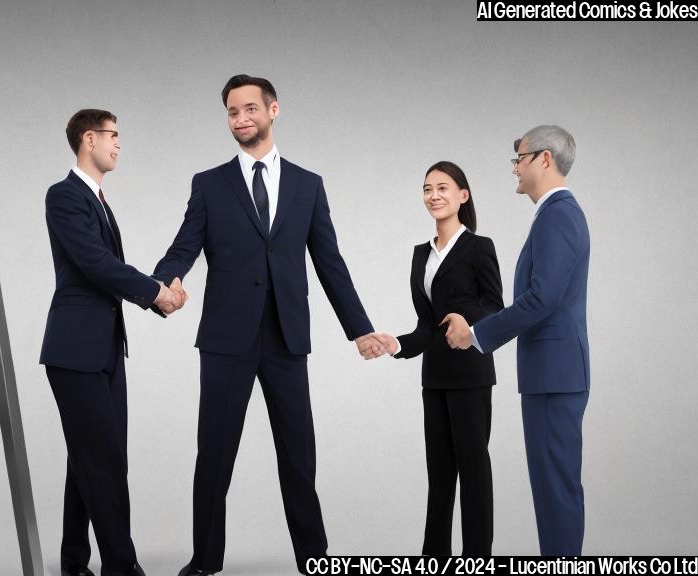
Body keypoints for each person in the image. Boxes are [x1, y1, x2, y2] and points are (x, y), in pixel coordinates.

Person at [152, 75, 381, 576]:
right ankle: (205, 560)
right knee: (214, 454)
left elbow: (330, 262)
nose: (241, 118)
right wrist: (162, 285)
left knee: (299, 455)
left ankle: (315, 560)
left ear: (273, 110)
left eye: (250, 108)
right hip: (225, 339)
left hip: (286, 337)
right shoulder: (209, 184)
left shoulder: (307, 184)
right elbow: (183, 246)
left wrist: (359, 328)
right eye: (233, 112)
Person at [40, 109, 184, 576]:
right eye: (113, 135)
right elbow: (95, 263)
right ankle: (122, 567)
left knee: (91, 458)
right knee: (102, 461)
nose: (119, 144)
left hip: (104, 350)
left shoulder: (100, 200)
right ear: (89, 139)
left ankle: (73, 564)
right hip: (75, 351)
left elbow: (106, 269)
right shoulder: (64, 196)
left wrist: (157, 296)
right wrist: (156, 292)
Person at [442, 125, 590, 555]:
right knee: (553, 486)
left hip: (555, 376)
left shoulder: (559, 214)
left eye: (519, 159)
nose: (515, 170)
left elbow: (542, 298)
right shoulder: (555, 213)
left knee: (555, 488)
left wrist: (477, 335)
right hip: (552, 373)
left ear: (544, 159)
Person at [370, 161, 503, 556]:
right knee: (440, 477)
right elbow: (426, 325)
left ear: (463, 195)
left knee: (474, 474)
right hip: (435, 378)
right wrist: (395, 343)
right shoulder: (420, 255)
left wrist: (468, 318)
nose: (434, 195)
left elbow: (495, 307)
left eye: (443, 188)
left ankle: (477, 559)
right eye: (428, 189)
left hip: (471, 374)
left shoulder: (480, 247)